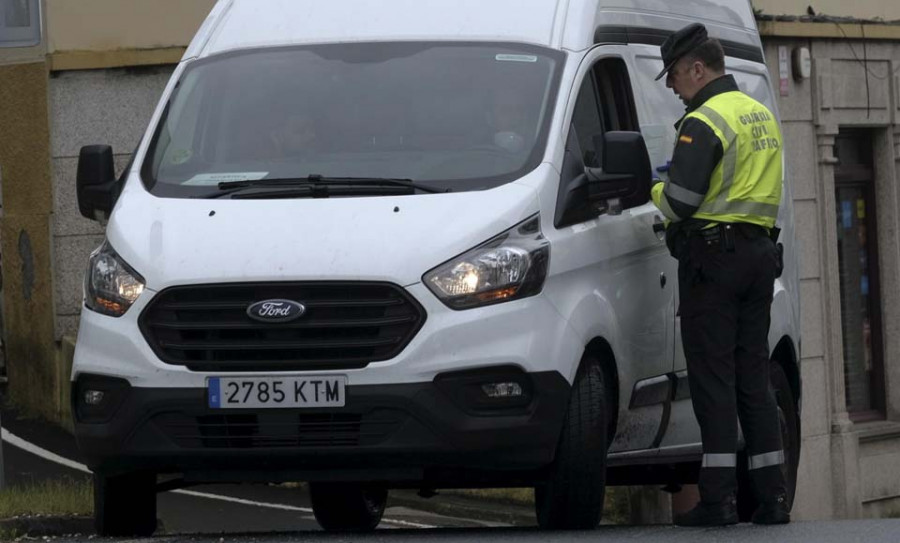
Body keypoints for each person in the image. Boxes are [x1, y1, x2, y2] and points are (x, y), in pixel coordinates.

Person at [651, 23, 790, 527]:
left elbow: (682, 202)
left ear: (697, 68)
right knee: (754, 377)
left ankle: (719, 499)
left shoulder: (703, 120)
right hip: (758, 257)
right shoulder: (760, 114)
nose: (671, 87)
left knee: (713, 380)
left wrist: (654, 190)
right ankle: (773, 498)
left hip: (714, 262)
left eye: (674, 76)